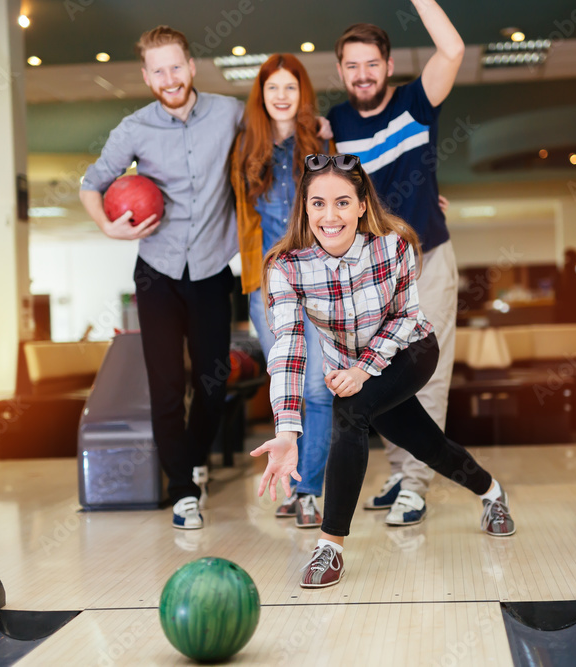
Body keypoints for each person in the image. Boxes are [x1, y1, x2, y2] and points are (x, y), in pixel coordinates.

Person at [251, 154, 515, 589]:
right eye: (317, 203)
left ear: (360, 205)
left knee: (350, 411)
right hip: (352, 370)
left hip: (409, 350)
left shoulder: (392, 245)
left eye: (341, 202)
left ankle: (329, 547)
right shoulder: (286, 267)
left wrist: (362, 369)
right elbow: (289, 349)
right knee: (427, 444)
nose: (329, 215)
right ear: (304, 207)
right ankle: (492, 493)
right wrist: (286, 430)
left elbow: (405, 317)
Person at [80, 26, 244, 531]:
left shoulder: (230, 112)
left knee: (213, 384)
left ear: (191, 67)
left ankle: (193, 459)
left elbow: (280, 128)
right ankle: (182, 491)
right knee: (166, 385)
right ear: (147, 77)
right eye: (158, 70)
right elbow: (92, 183)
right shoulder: (133, 128)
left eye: (176, 66)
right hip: (157, 272)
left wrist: (317, 127)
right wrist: (108, 226)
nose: (169, 77)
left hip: (215, 267)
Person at [327, 1, 465, 527]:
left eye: (372, 64)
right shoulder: (335, 124)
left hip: (428, 259)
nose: (363, 75)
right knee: (379, 375)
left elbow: (451, 49)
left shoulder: (416, 101)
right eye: (352, 66)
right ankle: (401, 468)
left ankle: (417, 484)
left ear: (388, 66)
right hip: (373, 273)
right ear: (341, 71)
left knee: (427, 373)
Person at [230, 54, 335, 528]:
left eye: (290, 87)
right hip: (267, 286)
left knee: (317, 388)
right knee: (286, 387)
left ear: (301, 93)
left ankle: (308, 491)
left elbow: (349, 199)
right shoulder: (245, 147)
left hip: (319, 280)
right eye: (273, 88)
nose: (281, 96)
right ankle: (296, 485)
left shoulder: (321, 141)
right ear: (262, 95)